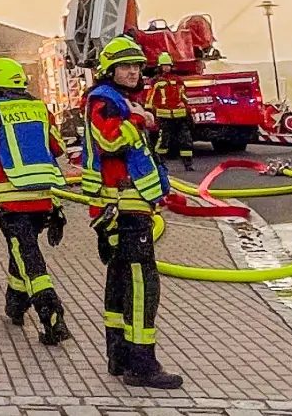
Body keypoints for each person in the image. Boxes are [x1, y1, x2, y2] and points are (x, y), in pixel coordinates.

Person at [80, 36, 182, 390]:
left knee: (121, 281)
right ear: (109, 70)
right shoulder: (105, 101)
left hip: (125, 204)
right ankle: (142, 364)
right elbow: (108, 141)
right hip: (124, 206)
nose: (133, 71)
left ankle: (120, 356)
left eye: (137, 66)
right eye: (126, 66)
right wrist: (137, 120)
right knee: (142, 285)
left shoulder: (121, 101)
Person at [0, 57, 72, 345]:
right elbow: (59, 147)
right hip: (43, 199)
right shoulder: (40, 109)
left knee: (29, 258)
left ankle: (51, 314)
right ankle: (15, 305)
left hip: (12, 199)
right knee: (24, 250)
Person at [149, 52, 194, 172]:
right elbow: (151, 97)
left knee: (186, 139)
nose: (166, 68)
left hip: (180, 115)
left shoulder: (177, 80)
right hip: (164, 117)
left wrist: (185, 105)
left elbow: (184, 95)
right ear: (159, 67)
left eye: (168, 65)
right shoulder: (156, 81)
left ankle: (188, 163)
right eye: (164, 66)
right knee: (163, 140)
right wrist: (150, 111)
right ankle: (159, 162)